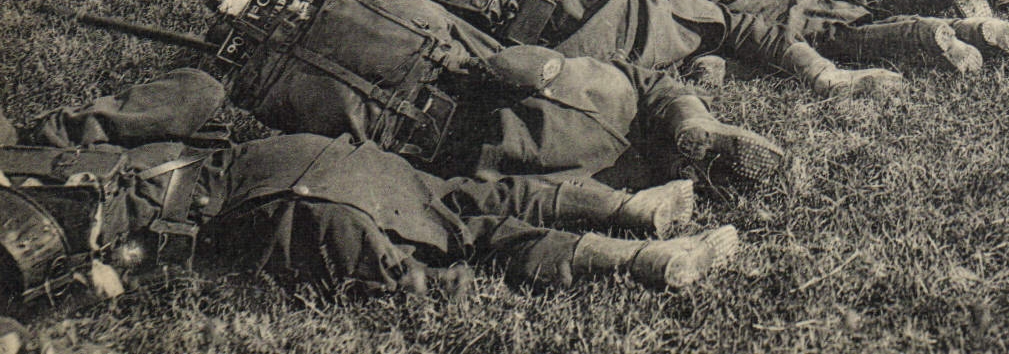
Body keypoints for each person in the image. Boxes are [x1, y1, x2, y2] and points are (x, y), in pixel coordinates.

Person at [0, 69, 740, 338]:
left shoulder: (36, 150)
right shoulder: (42, 166)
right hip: (272, 197)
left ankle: (641, 233)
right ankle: (635, 232)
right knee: (470, 220)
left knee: (472, 218)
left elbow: (199, 90)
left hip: (279, 186)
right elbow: (199, 91)